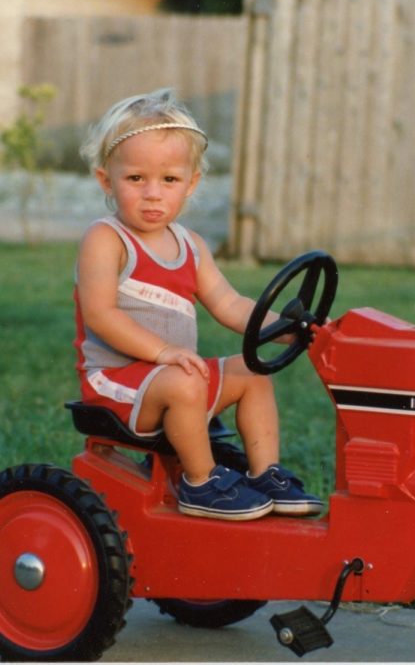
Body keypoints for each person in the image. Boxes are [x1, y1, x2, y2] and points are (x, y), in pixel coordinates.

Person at [74, 88, 323, 521]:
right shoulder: (106, 239)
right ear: (106, 180)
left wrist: (278, 327)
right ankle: (201, 482)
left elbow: (228, 302)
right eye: (136, 179)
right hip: (119, 383)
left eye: (168, 180)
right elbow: (100, 314)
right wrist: (163, 353)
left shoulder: (191, 245)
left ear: (190, 184)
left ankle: (266, 475)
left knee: (253, 374)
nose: (153, 194)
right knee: (186, 381)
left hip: (172, 375)